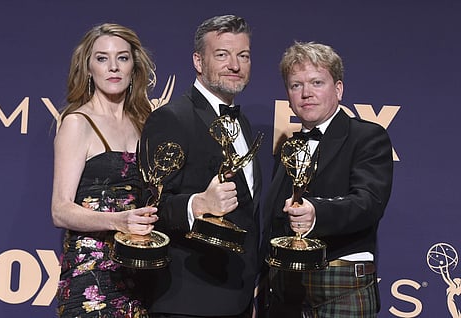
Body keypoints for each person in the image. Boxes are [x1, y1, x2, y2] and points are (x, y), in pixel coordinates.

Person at [139, 15, 263, 317]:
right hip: (188, 300)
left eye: (243, 56)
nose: (235, 65)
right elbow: (149, 204)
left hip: (239, 297)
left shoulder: (242, 123)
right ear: (198, 60)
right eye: (222, 54)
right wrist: (198, 204)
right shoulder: (172, 118)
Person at [264, 41, 393, 317]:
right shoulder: (288, 148)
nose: (306, 93)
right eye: (296, 85)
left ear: (338, 89)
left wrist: (317, 213)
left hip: (342, 283)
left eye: (316, 82)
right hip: (286, 288)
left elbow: (368, 203)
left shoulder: (367, 136)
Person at [51, 23, 158, 317]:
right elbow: (60, 210)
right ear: (88, 68)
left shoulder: (145, 124)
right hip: (93, 274)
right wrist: (118, 221)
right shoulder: (78, 123)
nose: (113, 67)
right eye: (102, 58)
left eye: (122, 58)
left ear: (134, 66)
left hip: (140, 273)